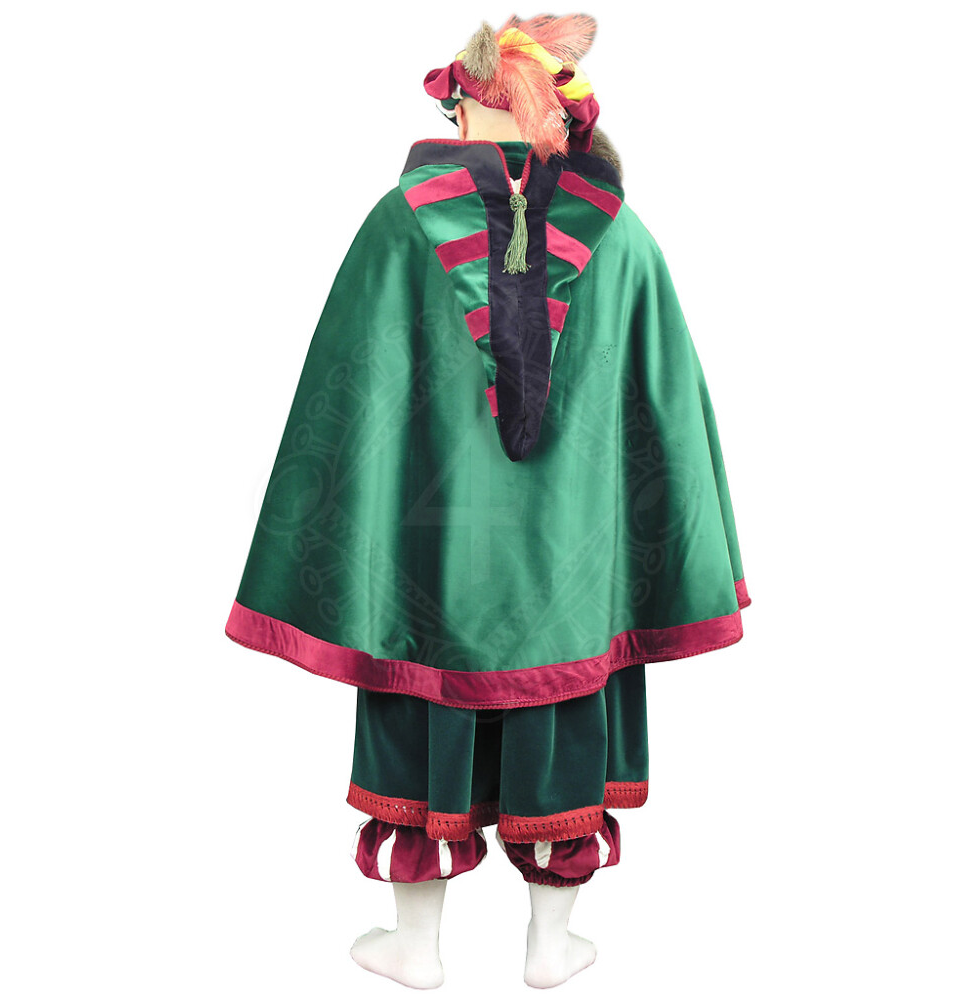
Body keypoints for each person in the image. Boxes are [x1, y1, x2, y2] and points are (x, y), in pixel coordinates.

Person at [224, 13, 750, 990]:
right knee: (568, 725)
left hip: (427, 573)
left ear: (472, 109)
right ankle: (550, 947)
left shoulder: (398, 226)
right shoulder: (623, 235)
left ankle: (415, 948)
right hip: (573, 577)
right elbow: (666, 406)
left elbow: (350, 394)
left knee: (418, 718)